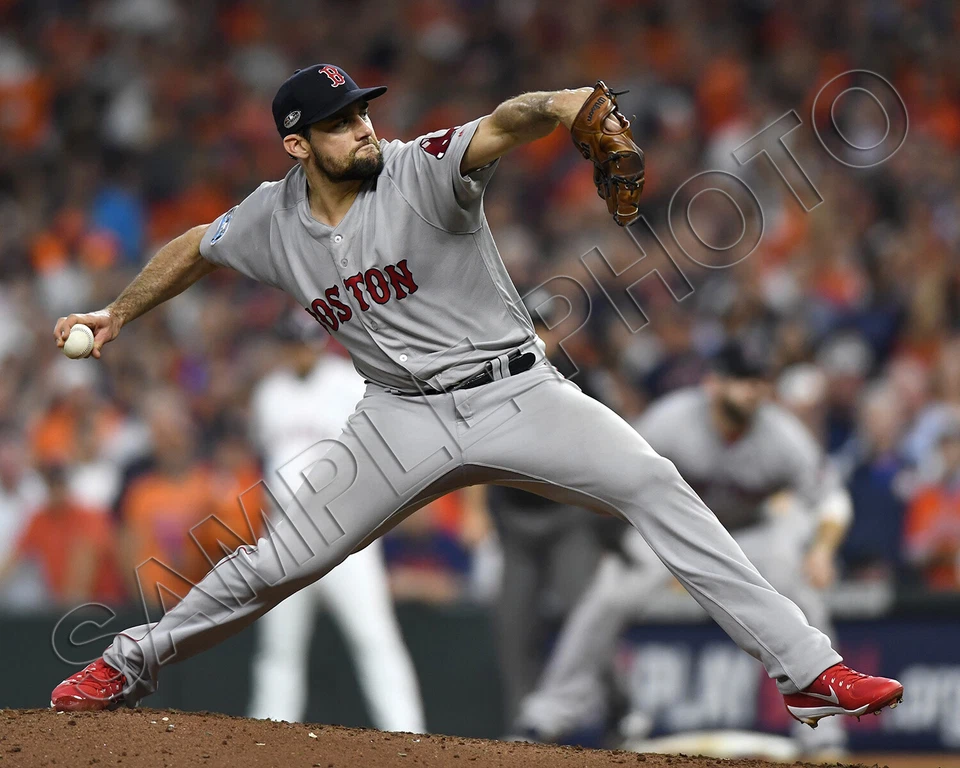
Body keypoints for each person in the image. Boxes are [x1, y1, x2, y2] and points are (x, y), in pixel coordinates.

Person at [49, 64, 901, 729]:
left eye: (362, 111)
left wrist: (570, 103)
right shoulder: (271, 220)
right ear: (297, 146)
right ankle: (127, 664)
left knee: (653, 482)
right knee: (280, 561)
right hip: (395, 419)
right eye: (338, 122)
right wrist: (119, 312)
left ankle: (808, 672)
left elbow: (505, 122)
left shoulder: (420, 169)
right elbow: (198, 245)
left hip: (516, 390)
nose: (361, 126)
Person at [512, 346, 854, 754]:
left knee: (803, 597)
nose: (753, 391)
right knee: (608, 594)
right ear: (713, 383)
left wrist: (822, 549)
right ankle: (549, 715)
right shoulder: (672, 420)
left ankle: (825, 732)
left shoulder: (782, 436)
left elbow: (831, 498)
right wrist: (615, 537)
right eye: (743, 380)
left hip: (752, 534)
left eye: (760, 382)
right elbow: (614, 473)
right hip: (677, 532)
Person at [246, 316, 424, 731]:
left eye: (305, 343)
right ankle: (264, 739)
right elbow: (266, 461)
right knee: (279, 648)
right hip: (285, 533)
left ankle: (410, 736)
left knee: (374, 638)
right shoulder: (269, 393)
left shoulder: (348, 381)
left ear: (319, 344)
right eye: (290, 344)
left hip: (343, 530)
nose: (298, 351)